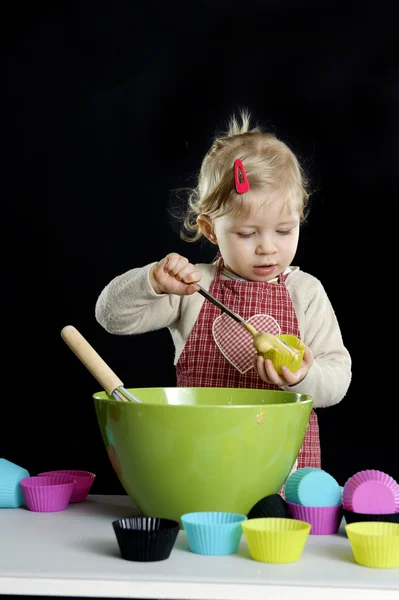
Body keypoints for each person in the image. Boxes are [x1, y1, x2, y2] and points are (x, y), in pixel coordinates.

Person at [95, 110, 352, 470]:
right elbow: (110, 317)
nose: (267, 247)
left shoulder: (305, 293)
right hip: (202, 461)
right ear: (210, 229)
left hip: (281, 465)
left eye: (283, 230)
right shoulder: (192, 287)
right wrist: (151, 282)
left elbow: (338, 377)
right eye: (247, 234)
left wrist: (304, 377)